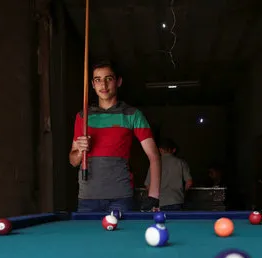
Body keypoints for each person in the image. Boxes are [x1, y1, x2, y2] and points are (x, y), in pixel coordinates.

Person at [69, 60, 161, 212]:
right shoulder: (82, 116)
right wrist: (80, 151)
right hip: (87, 199)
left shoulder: (132, 115)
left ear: (118, 82)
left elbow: (154, 156)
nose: (103, 85)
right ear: (92, 84)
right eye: (98, 80)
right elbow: (73, 161)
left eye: (108, 79)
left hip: (121, 198)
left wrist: (154, 197)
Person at [144, 138, 193, 211]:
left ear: (160, 150)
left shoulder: (155, 164)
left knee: (161, 222)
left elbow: (147, 185)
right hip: (177, 201)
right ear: (173, 150)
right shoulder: (181, 163)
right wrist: (182, 194)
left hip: (160, 203)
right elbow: (189, 183)